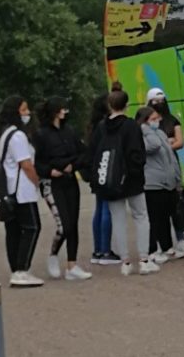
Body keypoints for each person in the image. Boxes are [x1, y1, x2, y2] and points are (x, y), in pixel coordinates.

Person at [91, 90, 159, 275]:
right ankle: (144, 259)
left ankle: (125, 262)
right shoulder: (131, 125)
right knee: (141, 217)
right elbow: (138, 152)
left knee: (118, 219)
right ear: (126, 105)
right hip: (132, 180)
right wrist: (135, 170)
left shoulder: (101, 127)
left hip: (110, 181)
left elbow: (94, 152)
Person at [32, 97, 92, 281]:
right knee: (63, 225)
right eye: (62, 109)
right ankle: (53, 254)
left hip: (69, 180)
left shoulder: (69, 131)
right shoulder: (41, 135)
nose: (65, 112)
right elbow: (38, 162)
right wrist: (50, 171)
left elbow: (83, 153)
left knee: (73, 223)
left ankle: (72, 265)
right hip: (52, 184)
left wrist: (72, 166)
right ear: (55, 111)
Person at [0, 95, 43, 287]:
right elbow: (26, 164)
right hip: (22, 191)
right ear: (15, 113)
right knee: (32, 227)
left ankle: (16, 269)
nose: (27, 113)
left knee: (13, 231)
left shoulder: (5, 134)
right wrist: (37, 181)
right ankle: (22, 269)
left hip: (9, 190)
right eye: (23, 110)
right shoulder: (18, 136)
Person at [146, 87, 184, 256]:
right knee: (160, 208)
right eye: (155, 102)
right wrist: (167, 144)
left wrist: (165, 145)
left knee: (177, 204)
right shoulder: (146, 125)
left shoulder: (172, 120)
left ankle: (181, 239)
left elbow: (179, 141)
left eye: (161, 100)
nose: (159, 104)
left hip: (172, 166)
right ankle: (160, 243)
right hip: (156, 170)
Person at [138, 106, 183, 264]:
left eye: (157, 119)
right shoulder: (143, 136)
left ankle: (167, 246)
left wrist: (177, 178)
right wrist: (146, 129)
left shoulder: (160, 133)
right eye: (153, 119)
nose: (157, 122)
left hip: (167, 182)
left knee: (165, 216)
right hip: (152, 183)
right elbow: (154, 146)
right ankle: (152, 250)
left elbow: (170, 156)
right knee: (154, 218)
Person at [86, 87, 119, 266]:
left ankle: (98, 249)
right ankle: (105, 250)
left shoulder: (94, 126)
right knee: (107, 209)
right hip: (106, 170)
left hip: (96, 171)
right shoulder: (106, 125)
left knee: (99, 208)